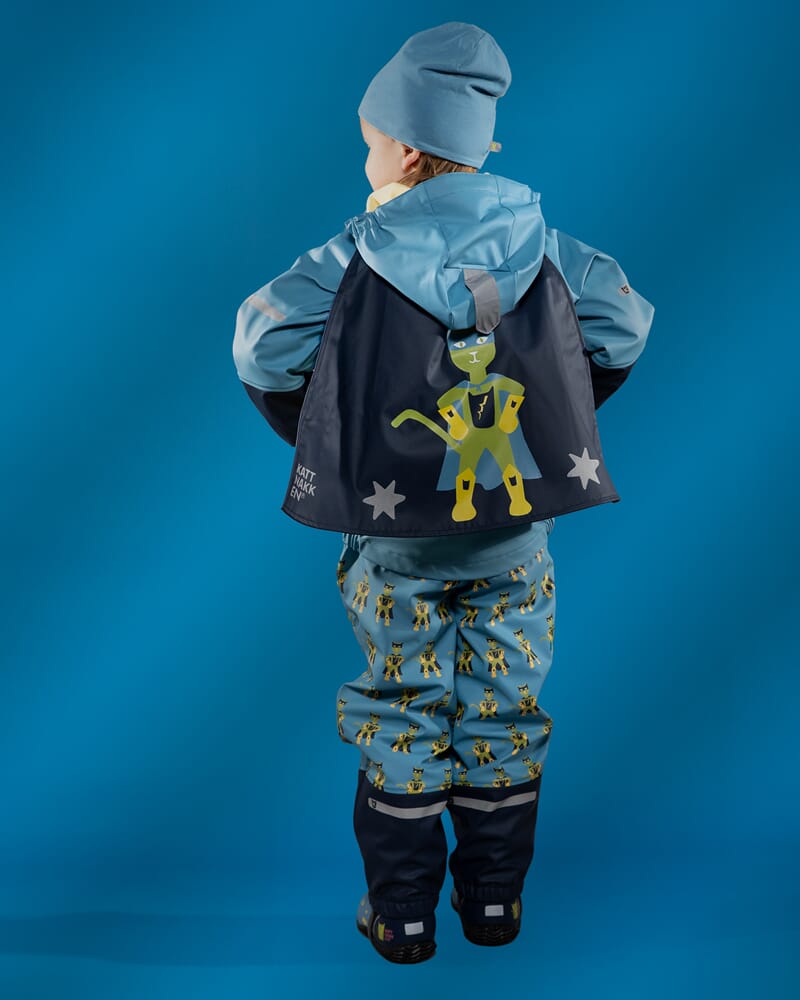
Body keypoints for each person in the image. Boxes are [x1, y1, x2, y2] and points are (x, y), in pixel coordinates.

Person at [232, 22, 654, 963]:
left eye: (371, 141)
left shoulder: (353, 252)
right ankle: (495, 906)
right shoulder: (546, 243)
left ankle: (403, 916)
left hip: (394, 549)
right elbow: (623, 327)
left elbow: (260, 342)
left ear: (409, 151)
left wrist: (328, 427)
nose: (366, 158)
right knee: (503, 707)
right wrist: (560, 411)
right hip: (516, 539)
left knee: (402, 708)